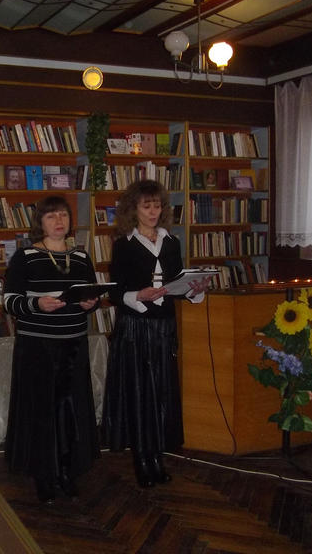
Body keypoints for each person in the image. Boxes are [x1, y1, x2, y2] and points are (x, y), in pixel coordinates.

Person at [103, 180, 210, 488]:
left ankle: (157, 456)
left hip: (163, 328)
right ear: (133, 209)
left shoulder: (171, 242)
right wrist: (138, 295)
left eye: (157, 206)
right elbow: (116, 292)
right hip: (135, 328)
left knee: (161, 392)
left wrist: (195, 290)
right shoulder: (124, 244)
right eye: (146, 206)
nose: (152, 212)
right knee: (140, 393)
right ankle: (141, 458)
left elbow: (177, 285)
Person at [3, 195, 101, 504]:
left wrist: (90, 303)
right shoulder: (25, 257)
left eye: (63, 215)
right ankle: (44, 476)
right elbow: (10, 301)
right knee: (42, 411)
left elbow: (91, 298)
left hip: (73, 344)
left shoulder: (82, 257)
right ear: (40, 223)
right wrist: (37, 304)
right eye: (51, 216)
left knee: (70, 411)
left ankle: (68, 471)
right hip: (38, 347)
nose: (59, 221)